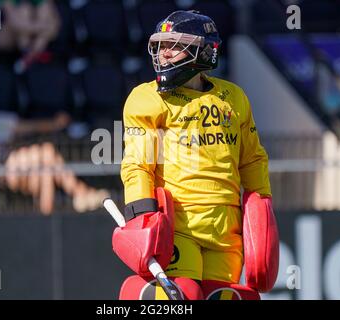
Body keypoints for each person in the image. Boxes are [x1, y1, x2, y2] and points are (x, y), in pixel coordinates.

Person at [116, 10, 277, 300]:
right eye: (160, 45)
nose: (164, 53)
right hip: (177, 227)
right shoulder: (147, 98)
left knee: (222, 296)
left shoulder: (235, 97)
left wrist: (262, 209)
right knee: (184, 296)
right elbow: (138, 164)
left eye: (174, 45)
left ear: (204, 51)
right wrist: (141, 216)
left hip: (227, 232)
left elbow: (252, 159)